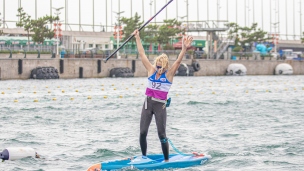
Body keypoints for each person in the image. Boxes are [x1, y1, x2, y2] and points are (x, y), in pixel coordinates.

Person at [133, 29, 193, 162]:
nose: (158, 69)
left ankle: (166, 161)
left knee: (162, 135)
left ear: (165, 66)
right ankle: (144, 157)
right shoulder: (151, 70)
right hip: (148, 103)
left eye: (161, 67)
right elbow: (142, 54)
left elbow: (178, 61)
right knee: (142, 132)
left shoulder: (169, 74)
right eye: (157, 65)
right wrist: (137, 37)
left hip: (160, 105)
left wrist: (184, 49)